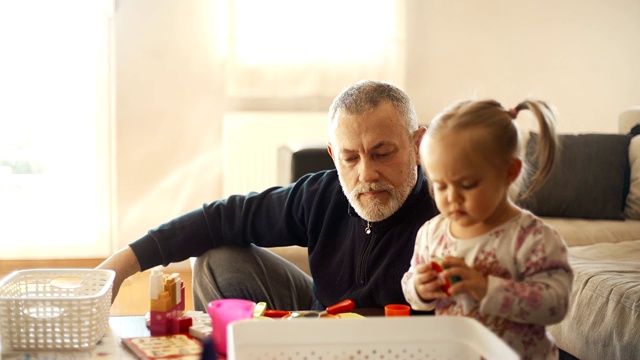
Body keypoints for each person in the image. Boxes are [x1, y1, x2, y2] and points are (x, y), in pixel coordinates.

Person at [98, 80, 439, 312]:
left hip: (398, 344)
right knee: (218, 261)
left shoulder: (448, 215)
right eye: (351, 158)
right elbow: (223, 218)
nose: (366, 174)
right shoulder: (321, 194)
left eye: (382, 153)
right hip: (323, 324)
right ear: (334, 156)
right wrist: (122, 265)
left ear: (417, 144)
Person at [401, 99, 573, 359]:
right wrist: (419, 289)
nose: (452, 198)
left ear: (509, 172)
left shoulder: (532, 238)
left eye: (467, 184)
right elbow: (410, 282)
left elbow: (556, 304)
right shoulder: (431, 233)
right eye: (440, 186)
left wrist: (487, 288)